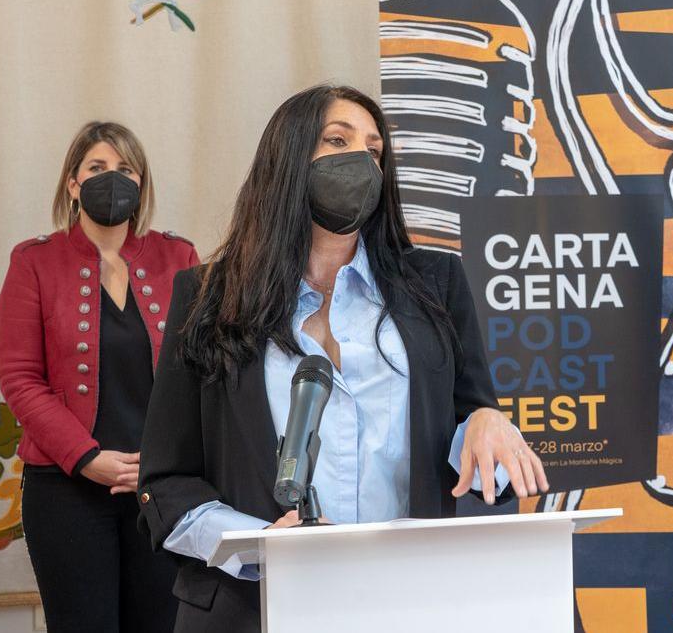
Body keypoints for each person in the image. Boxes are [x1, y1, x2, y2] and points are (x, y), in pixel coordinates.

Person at [136, 84, 549, 631]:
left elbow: (468, 427)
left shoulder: (436, 284)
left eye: (374, 150)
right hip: (254, 606)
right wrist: (257, 544)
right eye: (338, 140)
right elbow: (166, 483)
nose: (361, 160)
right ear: (288, 159)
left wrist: (486, 422)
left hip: (411, 600)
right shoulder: (209, 297)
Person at [0, 121, 199, 632]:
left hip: (157, 487)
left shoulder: (180, 258)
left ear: (142, 182)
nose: (113, 178)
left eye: (125, 169)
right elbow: (20, 379)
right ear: (72, 183)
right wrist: (85, 458)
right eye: (97, 168)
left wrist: (162, 462)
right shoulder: (34, 261)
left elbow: (202, 372)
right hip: (65, 491)